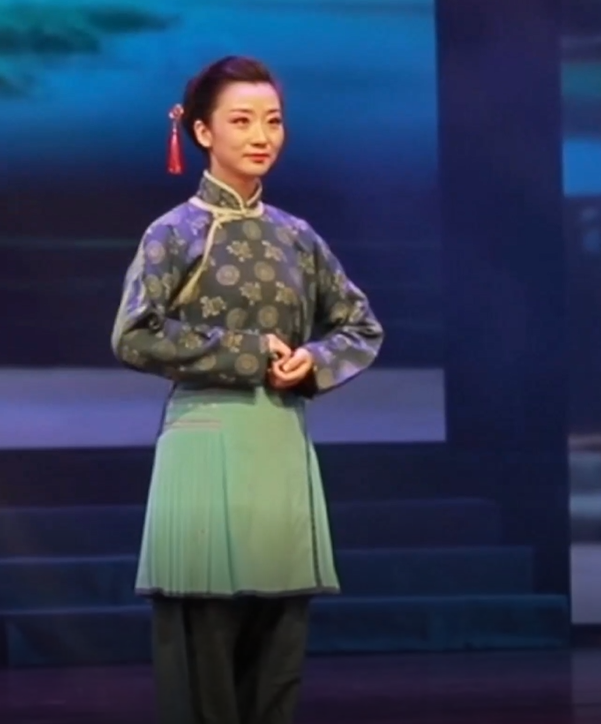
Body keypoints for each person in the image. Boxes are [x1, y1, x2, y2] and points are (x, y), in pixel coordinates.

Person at [110, 55, 383, 724]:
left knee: (278, 644)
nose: (262, 136)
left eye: (273, 121)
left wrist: (312, 360)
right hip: (205, 440)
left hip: (279, 440)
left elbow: (361, 326)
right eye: (241, 121)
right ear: (202, 132)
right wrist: (249, 353)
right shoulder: (174, 233)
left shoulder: (297, 237)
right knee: (204, 641)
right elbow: (134, 334)